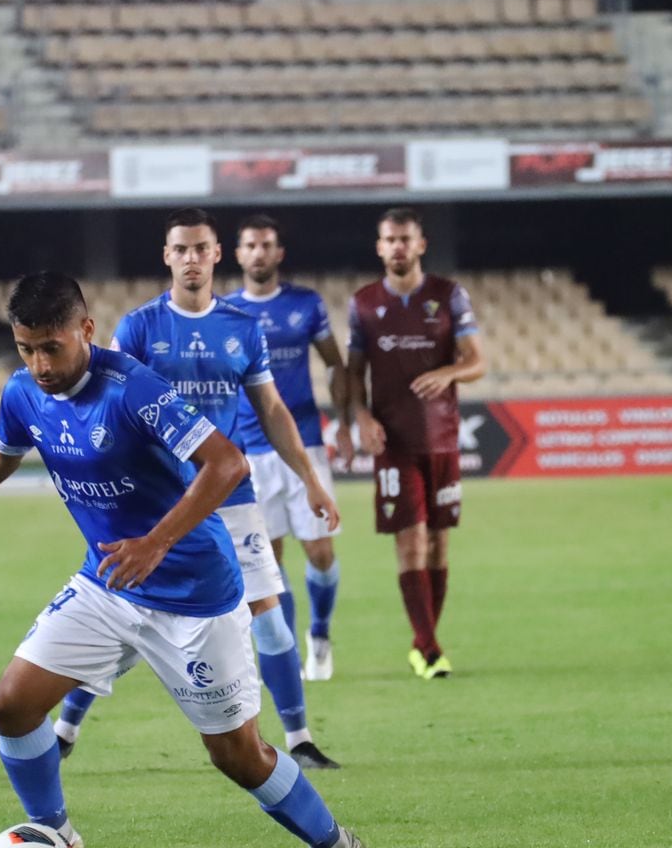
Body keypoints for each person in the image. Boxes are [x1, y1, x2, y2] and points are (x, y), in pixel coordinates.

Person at [0, 272, 368, 848]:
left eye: (51, 347)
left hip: (194, 594)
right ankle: (55, 837)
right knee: (11, 703)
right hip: (107, 585)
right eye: (25, 348)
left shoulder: (134, 389)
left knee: (238, 755)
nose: (39, 364)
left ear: (85, 330)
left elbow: (228, 464)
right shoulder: (23, 393)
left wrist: (156, 542)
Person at [50, 210, 344, 770]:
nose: (190, 258)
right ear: (167, 256)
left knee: (271, 615)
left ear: (216, 255)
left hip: (230, 499)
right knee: (126, 614)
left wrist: (311, 480)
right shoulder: (138, 328)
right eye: (180, 249)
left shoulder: (240, 328)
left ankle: (301, 739)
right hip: (156, 506)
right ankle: (66, 727)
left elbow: (274, 411)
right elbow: (109, 406)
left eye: (200, 248)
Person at [341, 207, 486, 679]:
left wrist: (448, 371)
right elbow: (352, 373)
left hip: (442, 439)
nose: (398, 247)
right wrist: (360, 416)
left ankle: (423, 641)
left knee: (440, 545)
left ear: (421, 244)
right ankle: (428, 648)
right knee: (412, 541)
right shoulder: (363, 303)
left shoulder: (449, 296)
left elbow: (477, 362)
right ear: (379, 247)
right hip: (393, 441)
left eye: (406, 238)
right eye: (390, 239)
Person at [223, 214, 349, 681]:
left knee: (320, 552)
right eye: (250, 245)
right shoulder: (224, 313)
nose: (258, 252)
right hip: (249, 453)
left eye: (267, 245)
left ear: (279, 253)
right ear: (238, 254)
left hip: (306, 447)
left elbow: (337, 365)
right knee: (269, 563)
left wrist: (347, 422)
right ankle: (292, 651)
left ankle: (320, 634)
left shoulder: (306, 305)